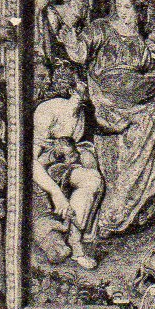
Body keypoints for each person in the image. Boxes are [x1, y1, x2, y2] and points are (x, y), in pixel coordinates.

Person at [82, 0, 155, 240]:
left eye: (128, 7)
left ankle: (132, 206)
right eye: (120, 7)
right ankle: (113, 213)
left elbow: (154, 69)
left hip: (136, 96)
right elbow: (81, 53)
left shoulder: (140, 42)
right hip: (108, 100)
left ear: (137, 11)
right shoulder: (101, 29)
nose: (123, 13)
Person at [32, 76, 104, 268]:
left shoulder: (83, 114)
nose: (86, 92)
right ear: (72, 90)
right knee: (90, 179)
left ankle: (75, 242)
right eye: (82, 88)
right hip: (46, 168)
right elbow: (32, 161)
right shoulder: (48, 111)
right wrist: (56, 193)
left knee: (93, 180)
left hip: (68, 163)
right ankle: (75, 246)